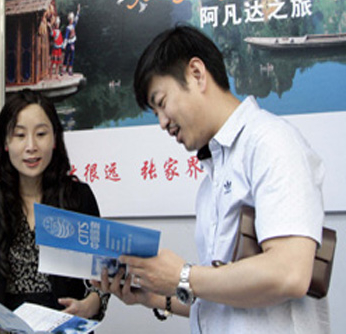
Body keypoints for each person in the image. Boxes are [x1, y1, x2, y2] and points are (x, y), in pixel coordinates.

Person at [95, 25, 329, 333]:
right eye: (155, 113)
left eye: (161, 103)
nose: (163, 123)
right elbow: (223, 297)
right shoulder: (211, 181)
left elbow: (290, 273)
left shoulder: (271, 142)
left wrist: (183, 276)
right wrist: (155, 296)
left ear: (196, 73)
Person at [0, 89, 108, 321]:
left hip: (66, 326)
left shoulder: (79, 197)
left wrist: (88, 306)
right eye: (19, 135)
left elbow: (103, 277)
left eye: (41, 134)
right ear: (5, 142)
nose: (31, 146)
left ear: (54, 139)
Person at [62, 4, 80, 76]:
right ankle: (64, 69)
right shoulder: (68, 28)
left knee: (72, 56)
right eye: (71, 19)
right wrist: (64, 45)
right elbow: (66, 37)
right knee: (67, 56)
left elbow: (76, 19)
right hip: (69, 44)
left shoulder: (73, 25)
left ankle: (69, 70)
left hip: (72, 43)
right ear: (70, 20)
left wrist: (78, 11)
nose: (72, 20)